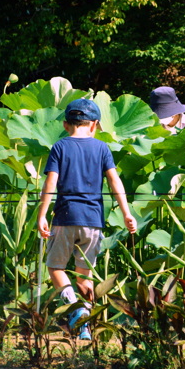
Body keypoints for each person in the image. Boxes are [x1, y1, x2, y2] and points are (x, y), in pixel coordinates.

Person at [38, 98, 137, 339]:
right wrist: (126, 213)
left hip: (65, 217)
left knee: (55, 267)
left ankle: (75, 307)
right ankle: (87, 326)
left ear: (65, 124)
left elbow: (50, 183)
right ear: (94, 125)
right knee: (85, 274)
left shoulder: (60, 147)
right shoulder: (102, 148)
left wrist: (42, 214)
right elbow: (115, 182)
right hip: (93, 220)